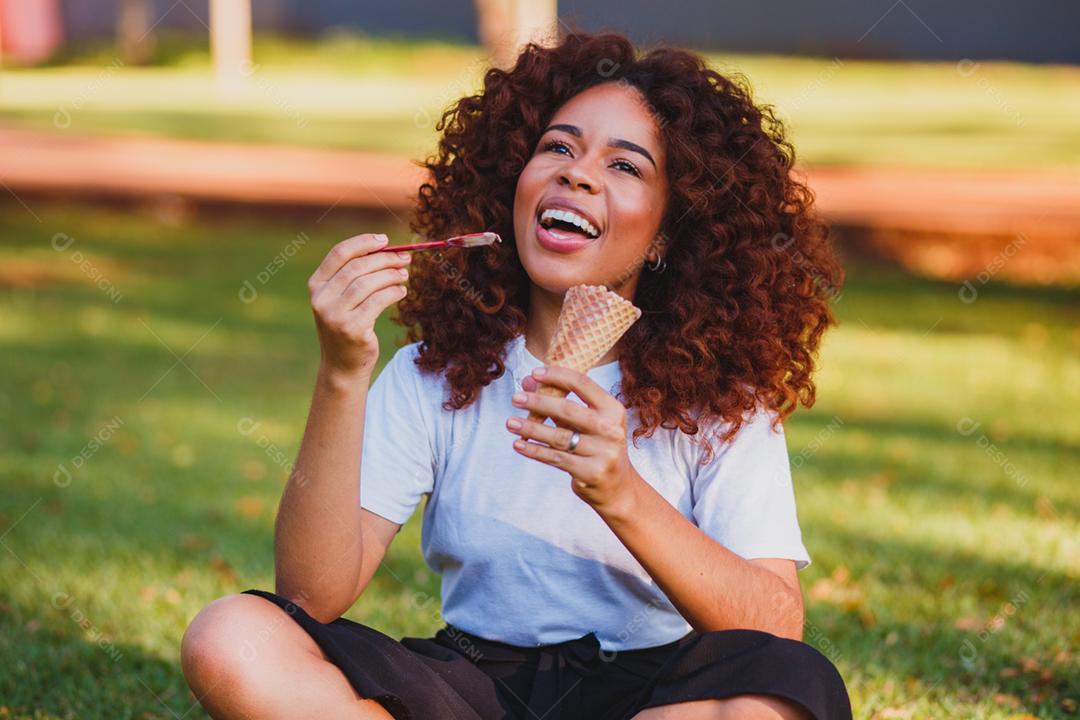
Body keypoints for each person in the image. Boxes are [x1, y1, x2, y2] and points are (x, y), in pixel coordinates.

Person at [180, 31, 850, 720]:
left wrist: (620, 492)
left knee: (784, 692)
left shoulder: (723, 400)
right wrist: (343, 373)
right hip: (472, 686)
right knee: (233, 636)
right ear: (512, 185)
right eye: (558, 147)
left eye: (626, 166)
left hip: (653, 696)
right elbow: (311, 595)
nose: (578, 173)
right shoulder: (435, 375)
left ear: (664, 238)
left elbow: (773, 628)